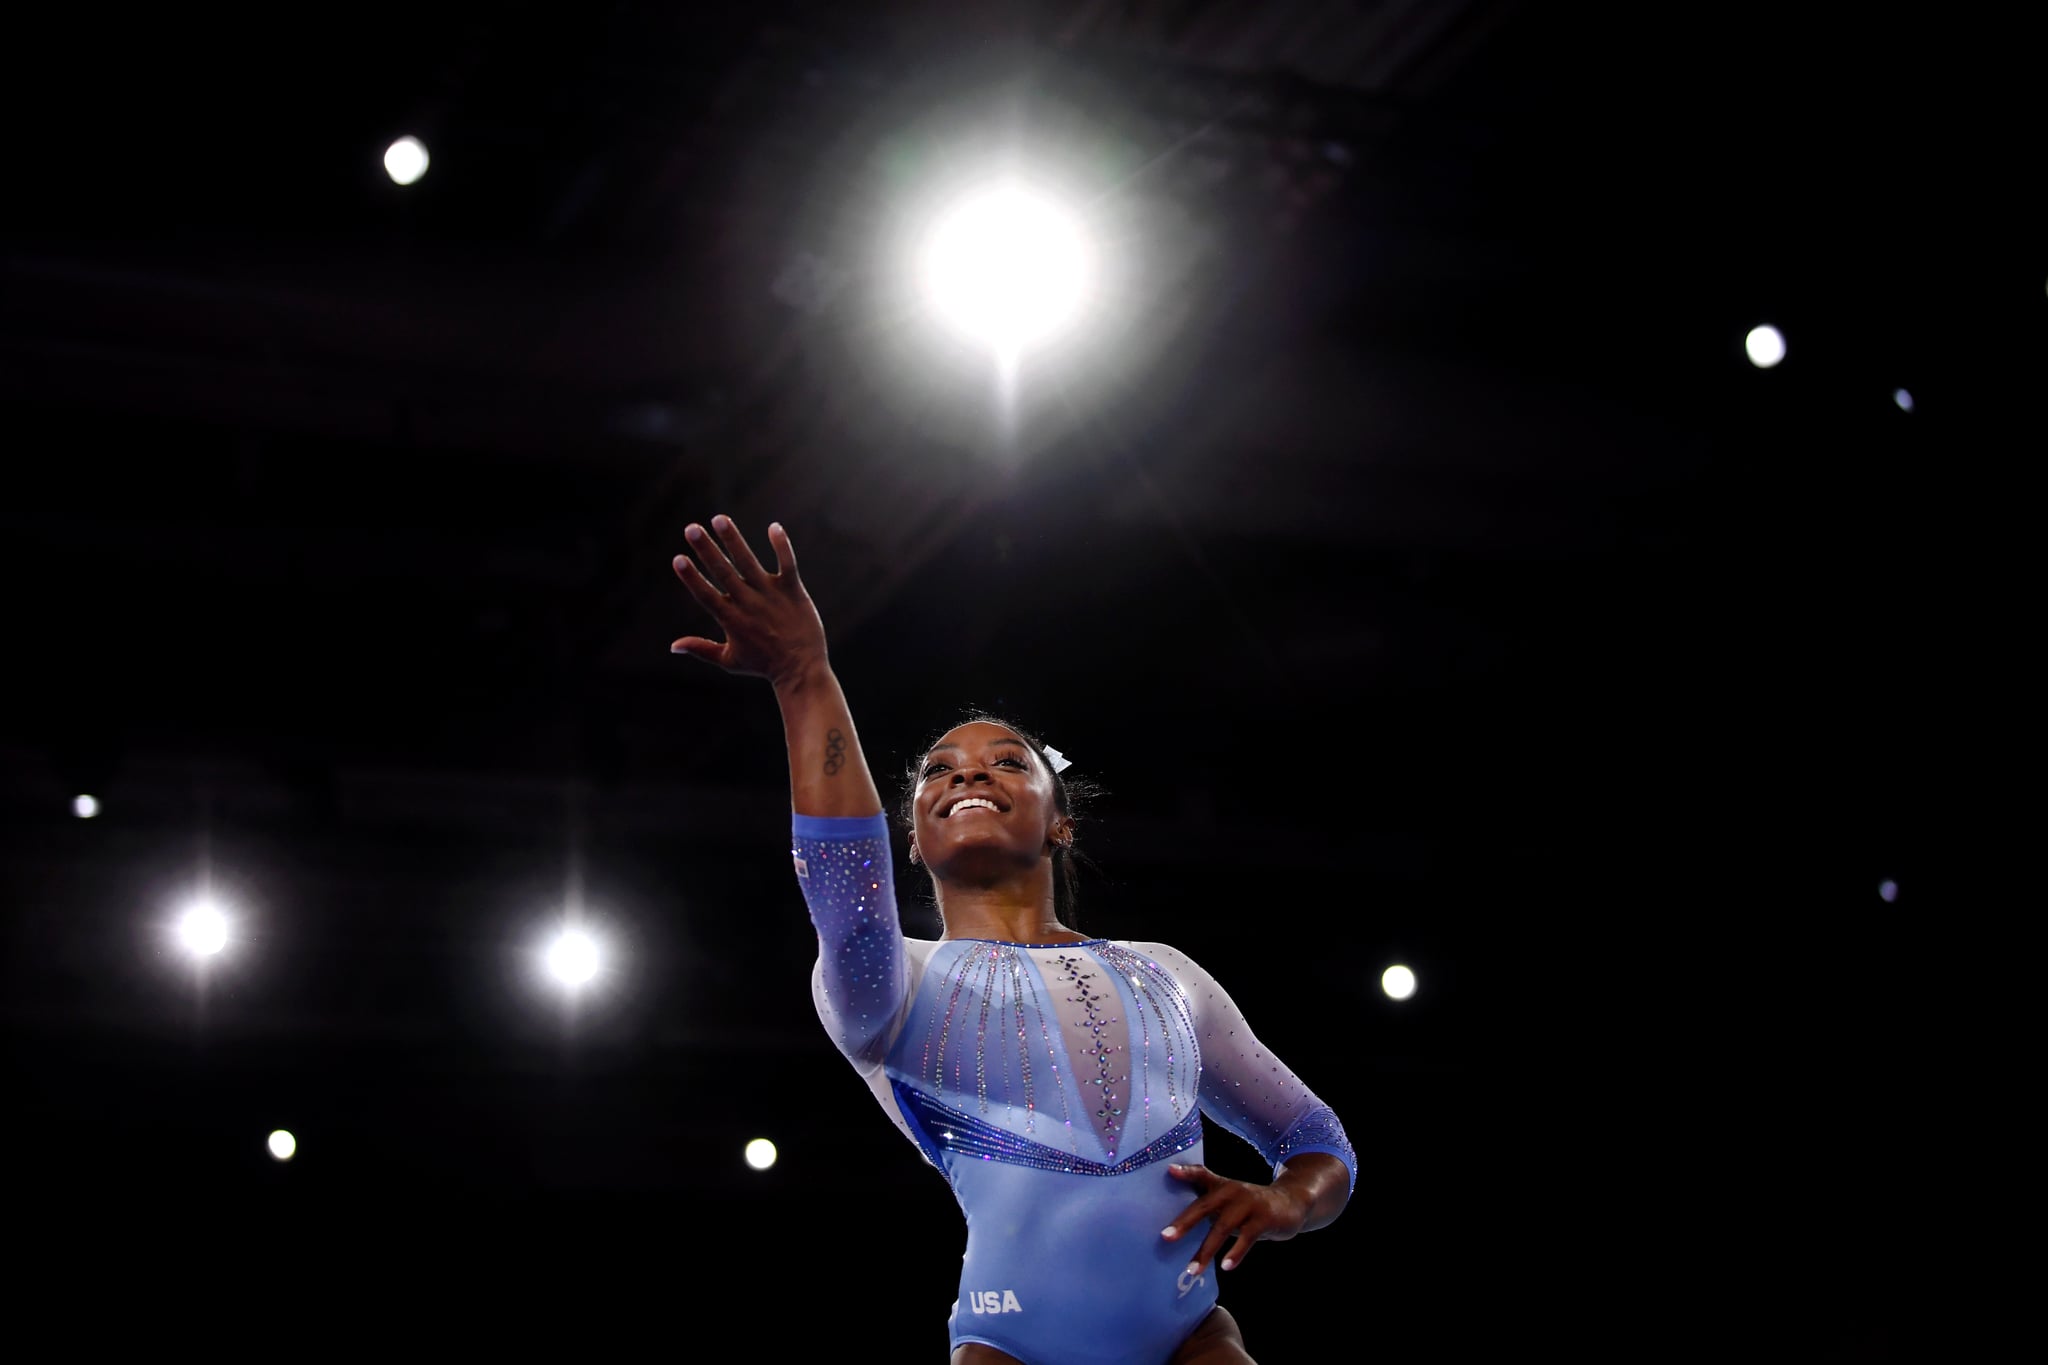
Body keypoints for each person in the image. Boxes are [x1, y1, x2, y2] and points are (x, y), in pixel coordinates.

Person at [671, 513, 1356, 1365]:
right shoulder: (895, 983)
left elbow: (1316, 1138)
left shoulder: (1168, 976)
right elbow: (845, 891)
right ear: (913, 838)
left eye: (1006, 761)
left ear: (1059, 821)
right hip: (1009, 1345)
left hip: (1196, 1339)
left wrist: (1288, 1202)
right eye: (937, 770)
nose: (967, 772)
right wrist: (803, 675)